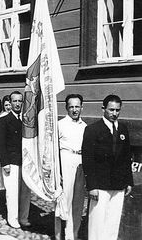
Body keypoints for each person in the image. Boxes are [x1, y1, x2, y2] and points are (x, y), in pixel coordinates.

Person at [82, 95, 133, 240]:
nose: (114, 113)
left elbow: (126, 157)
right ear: (103, 109)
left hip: (118, 184)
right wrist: (91, 186)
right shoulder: (92, 130)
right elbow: (88, 159)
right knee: (97, 223)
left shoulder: (123, 129)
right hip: (100, 185)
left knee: (113, 222)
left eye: (117, 110)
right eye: (111, 110)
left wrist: (128, 181)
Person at [0, 91, 31, 228]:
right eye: (14, 101)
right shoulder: (4, 120)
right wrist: (5, 163)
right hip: (11, 161)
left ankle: (23, 217)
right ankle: (13, 218)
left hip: (25, 162)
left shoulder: (26, 120)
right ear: (10, 103)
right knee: (12, 192)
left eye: (20, 101)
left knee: (25, 192)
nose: (17, 104)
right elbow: (0, 143)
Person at [56, 94, 87, 240]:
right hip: (65, 160)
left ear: (82, 107)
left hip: (81, 162)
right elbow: (53, 149)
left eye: (77, 106)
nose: (74, 110)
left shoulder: (85, 126)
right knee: (64, 200)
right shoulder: (60, 125)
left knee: (78, 201)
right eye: (71, 107)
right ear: (66, 108)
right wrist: (58, 171)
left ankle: (72, 235)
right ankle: (59, 234)